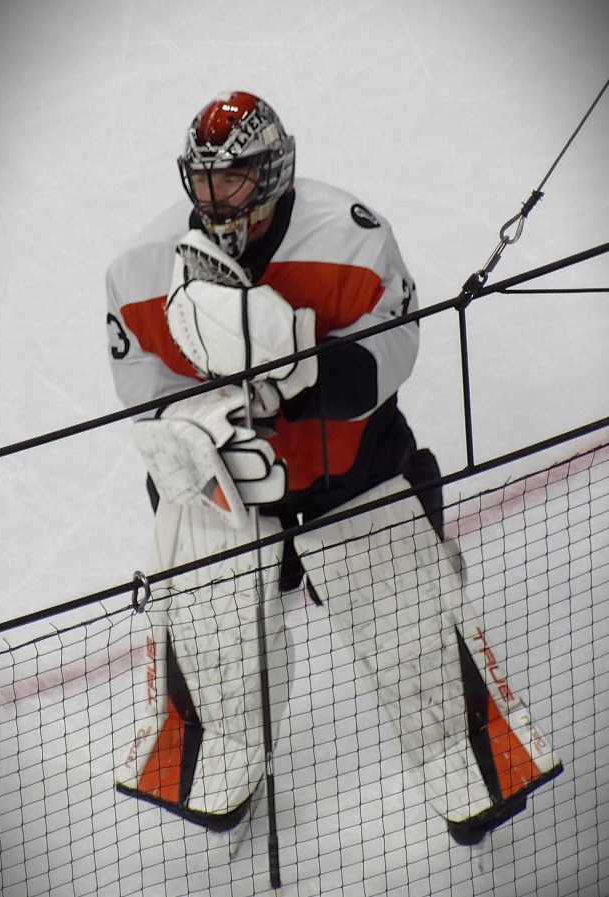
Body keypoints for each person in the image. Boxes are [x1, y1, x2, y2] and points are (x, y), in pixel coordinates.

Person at [108, 91, 561, 846]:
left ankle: (469, 769)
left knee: (413, 639)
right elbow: (144, 398)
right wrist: (204, 429)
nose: (215, 197)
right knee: (211, 639)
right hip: (227, 494)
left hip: (349, 474)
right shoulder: (139, 269)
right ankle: (220, 768)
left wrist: (302, 368)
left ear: (276, 172)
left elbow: (395, 352)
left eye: (235, 179)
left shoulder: (353, 237)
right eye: (203, 179)